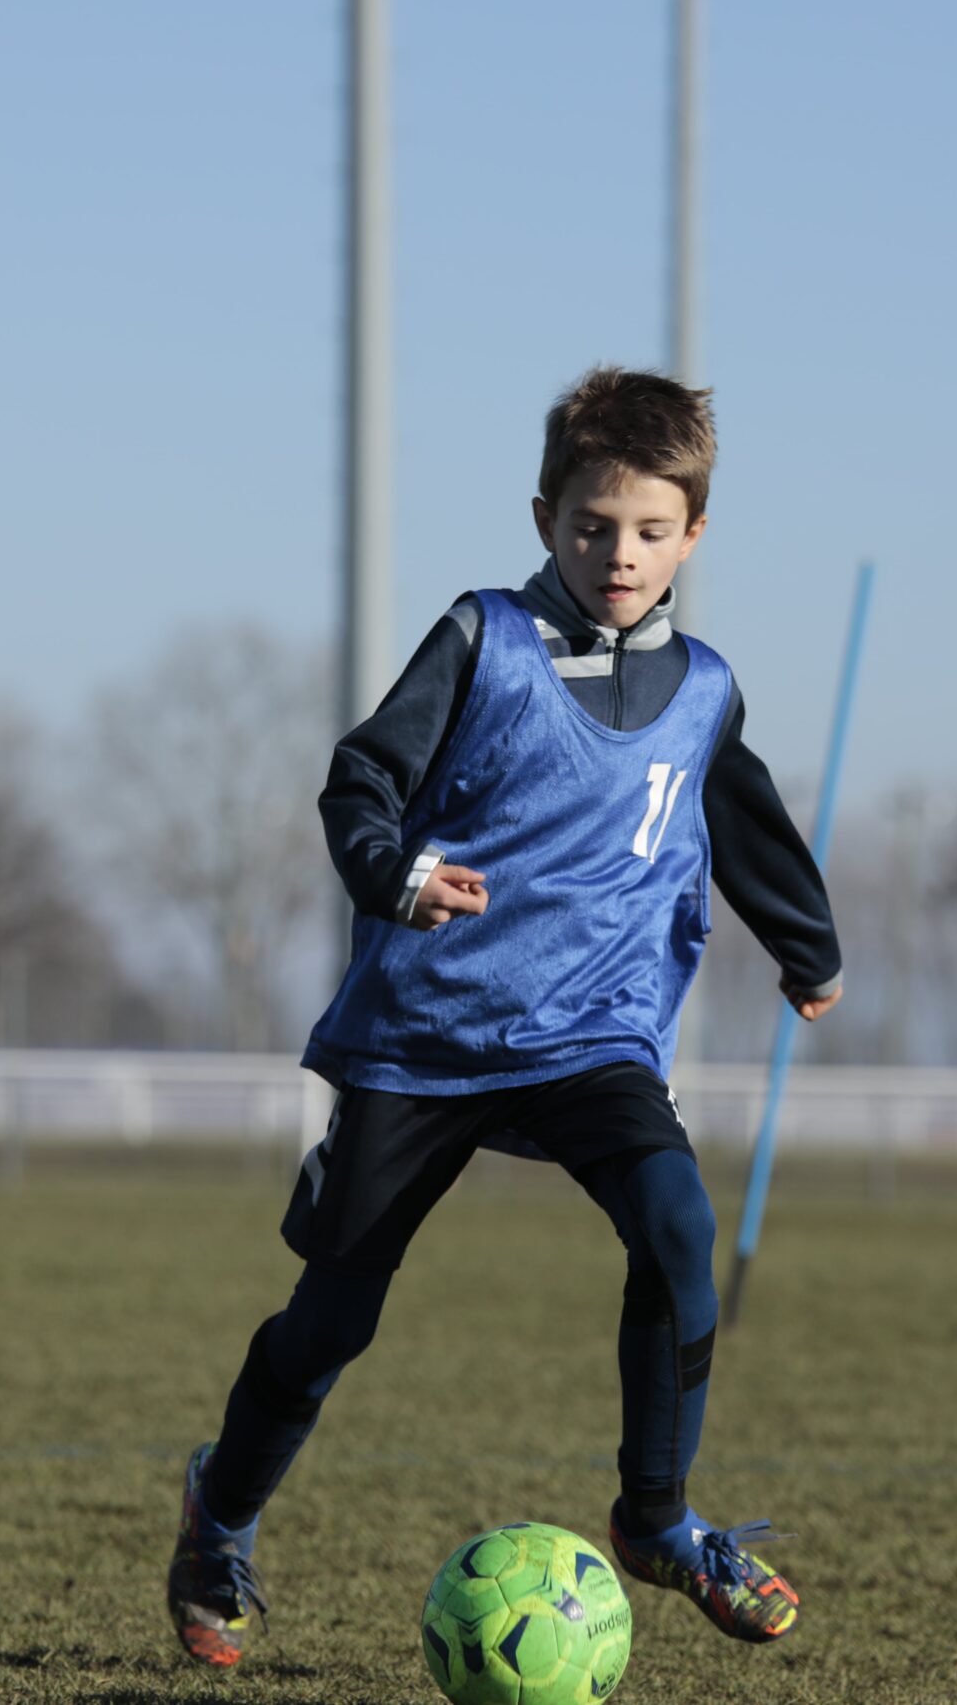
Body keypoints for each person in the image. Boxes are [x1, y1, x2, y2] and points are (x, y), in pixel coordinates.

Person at [166, 368, 843, 1667]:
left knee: (676, 1222)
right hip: (426, 1039)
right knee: (334, 1318)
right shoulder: (485, 640)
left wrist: (807, 945)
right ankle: (221, 1511)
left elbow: (742, 813)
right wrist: (397, 872)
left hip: (590, 1036)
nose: (620, 553)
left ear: (694, 533)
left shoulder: (705, 687)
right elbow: (363, 777)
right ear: (547, 518)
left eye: (651, 530)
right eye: (594, 525)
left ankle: (656, 1517)